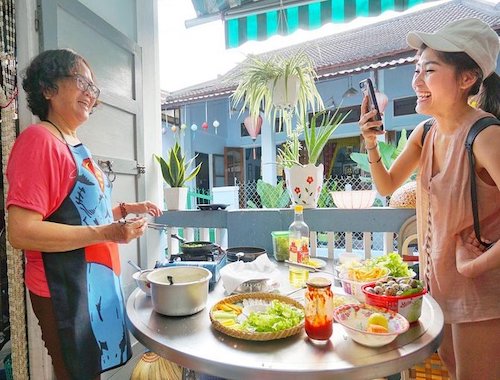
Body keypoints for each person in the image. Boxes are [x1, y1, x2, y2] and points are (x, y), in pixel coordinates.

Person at [6, 49, 162, 380]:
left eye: (94, 87)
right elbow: (21, 231)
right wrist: (109, 233)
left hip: (91, 283)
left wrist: (126, 211)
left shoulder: (73, 143)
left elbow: (84, 214)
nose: (90, 93)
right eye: (81, 82)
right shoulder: (39, 141)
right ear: (48, 88)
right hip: (64, 287)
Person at [358, 19, 500, 379]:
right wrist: (371, 143)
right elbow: (387, 186)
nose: (417, 82)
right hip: (438, 291)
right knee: (452, 372)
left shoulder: (485, 136)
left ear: (467, 78)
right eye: (416, 70)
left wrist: (476, 265)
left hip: (481, 296)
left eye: (430, 71)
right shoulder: (426, 132)